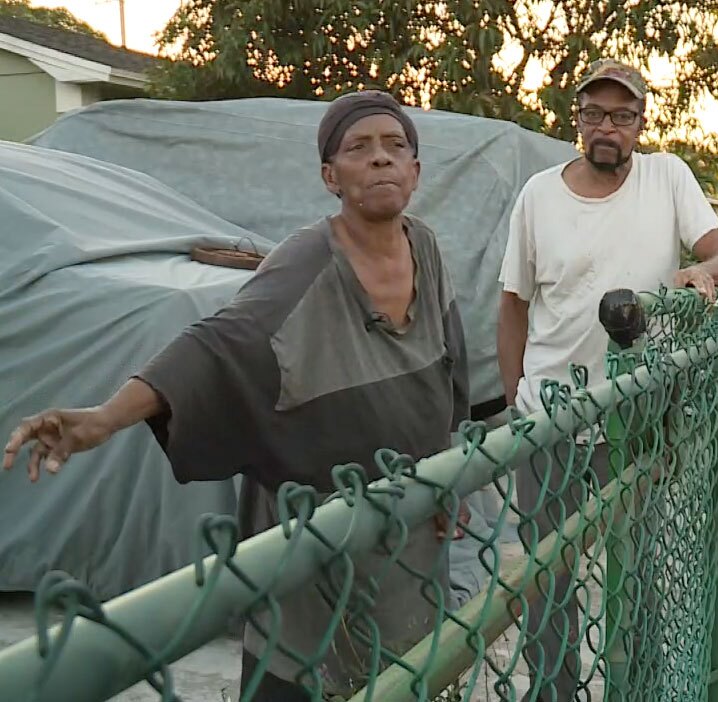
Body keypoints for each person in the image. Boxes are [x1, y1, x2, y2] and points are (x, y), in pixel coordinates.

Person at [4, 90, 470, 701]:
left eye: (396, 147)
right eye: (359, 148)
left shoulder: (425, 248)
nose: (380, 160)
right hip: (319, 521)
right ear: (331, 175)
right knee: (305, 671)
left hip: (407, 514)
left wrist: (448, 473)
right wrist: (105, 419)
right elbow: (215, 346)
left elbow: (446, 373)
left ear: (415, 170)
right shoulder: (306, 261)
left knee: (408, 669)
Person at [496, 59, 718, 700]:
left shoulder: (667, 177)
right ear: (576, 120)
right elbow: (513, 304)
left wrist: (700, 271)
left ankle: (640, 685)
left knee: (636, 567)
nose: (608, 127)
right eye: (595, 114)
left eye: (623, 115)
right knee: (548, 577)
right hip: (548, 415)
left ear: (640, 122)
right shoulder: (538, 196)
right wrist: (515, 407)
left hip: (634, 414)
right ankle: (555, 690)